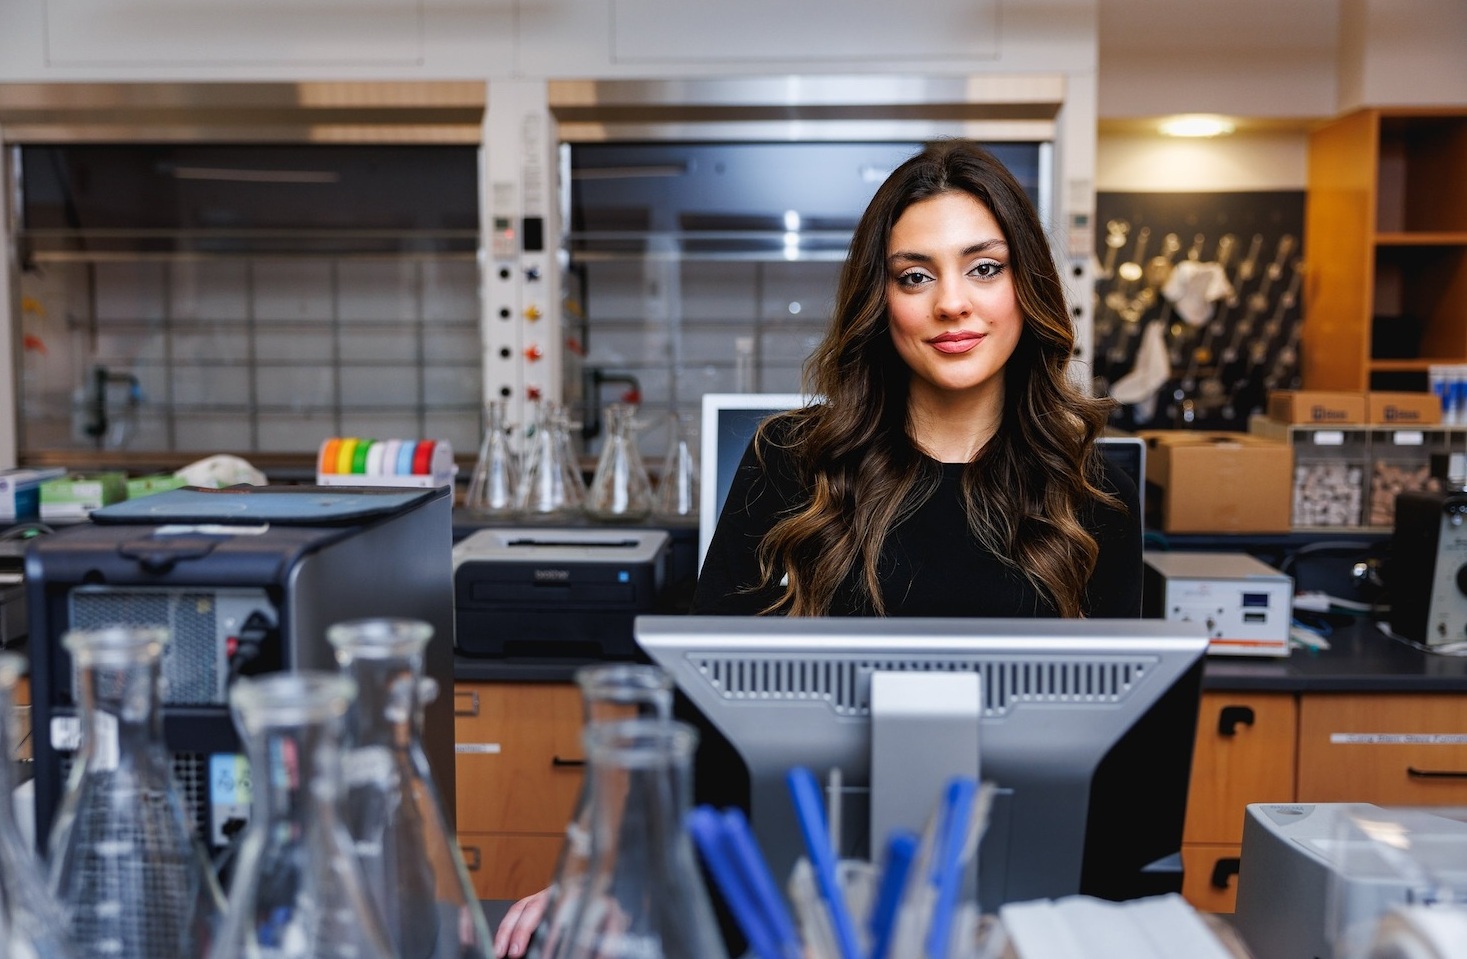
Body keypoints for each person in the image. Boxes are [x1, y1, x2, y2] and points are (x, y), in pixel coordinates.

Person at [492, 138, 1140, 958]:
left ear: (1028, 286)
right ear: (882, 301)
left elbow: (1123, 760)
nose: (951, 303)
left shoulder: (1095, 493)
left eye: (983, 267)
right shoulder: (787, 463)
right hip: (783, 909)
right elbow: (695, 702)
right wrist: (612, 869)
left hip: (1022, 912)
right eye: (914, 275)